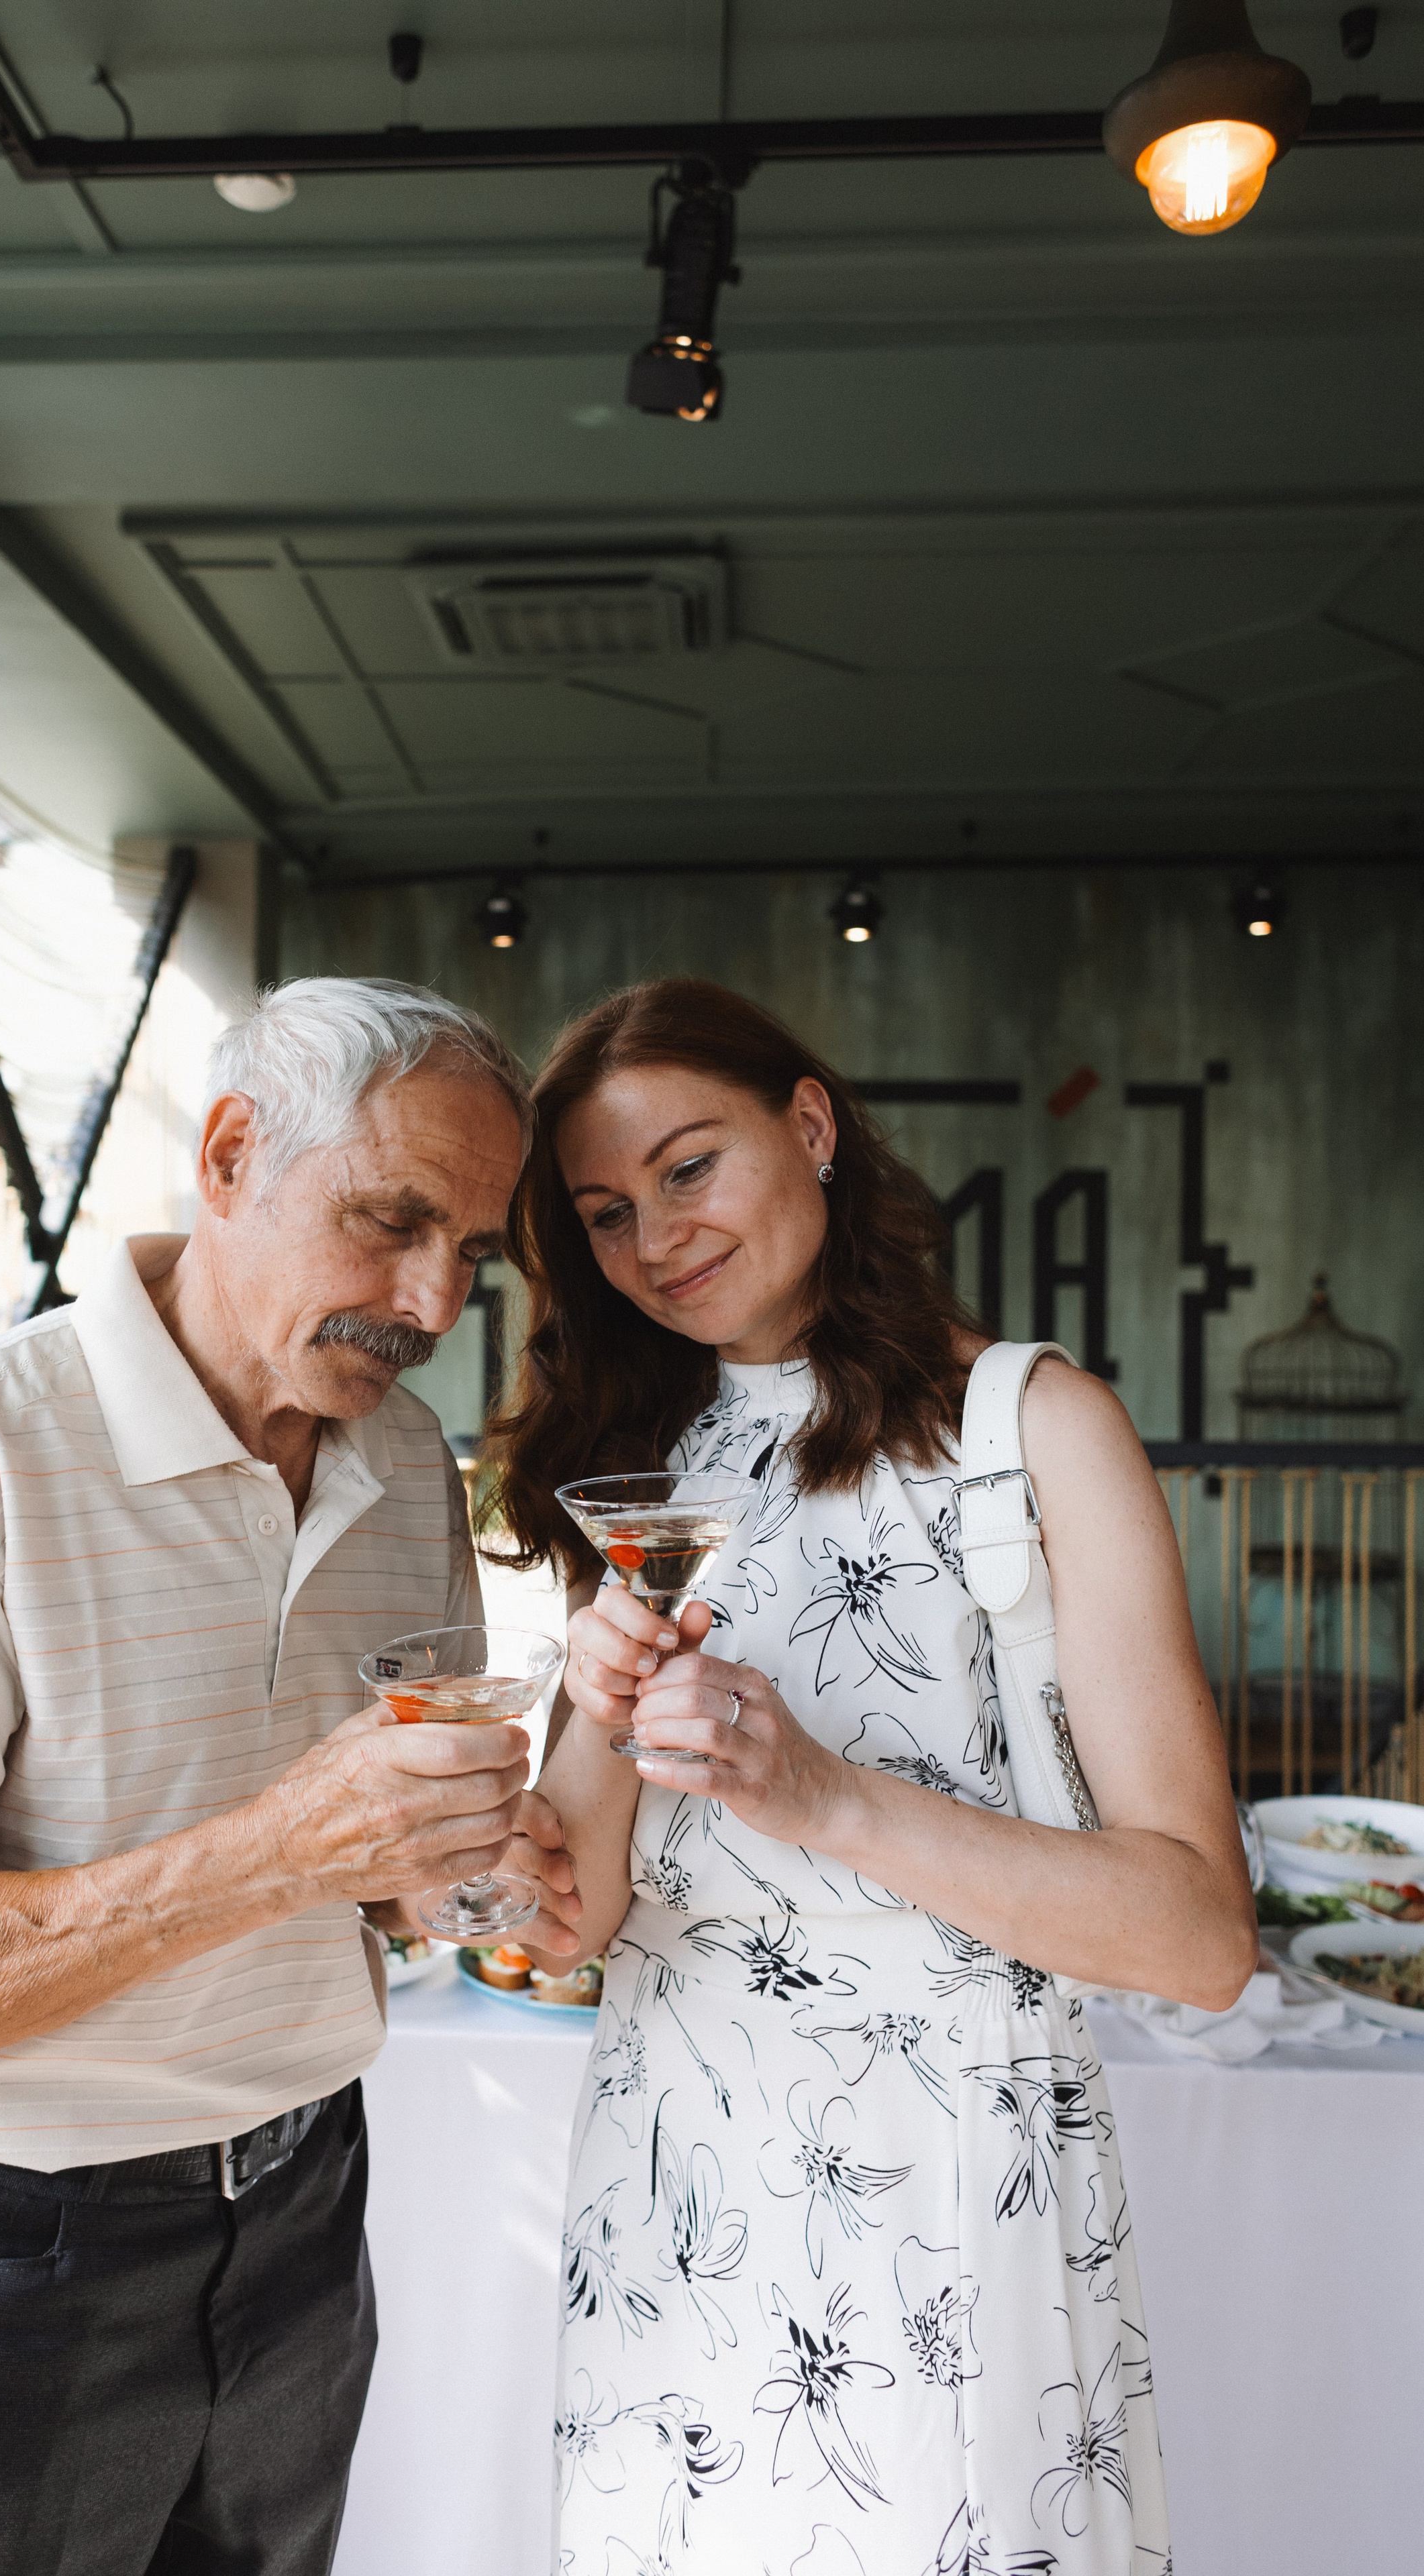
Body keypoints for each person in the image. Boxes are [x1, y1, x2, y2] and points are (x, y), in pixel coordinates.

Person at [0, 977, 577, 2576]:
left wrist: (482, 1865)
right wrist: (276, 1850)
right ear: (232, 1153)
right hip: (7, 2254)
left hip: (306, 2211)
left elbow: (388, 1889)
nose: (433, 1300)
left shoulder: (399, 1474)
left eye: (470, 1252)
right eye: (388, 1220)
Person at [489, 979, 1257, 2576]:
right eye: (607, 1212)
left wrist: (825, 1796)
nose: (656, 1239)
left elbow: (1197, 1941)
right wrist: (573, 1740)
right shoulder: (641, 1462)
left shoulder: (1033, 1427)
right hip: (672, 2200)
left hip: (947, 2201)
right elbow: (563, 1924)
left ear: (812, 1125)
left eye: (691, 1166)